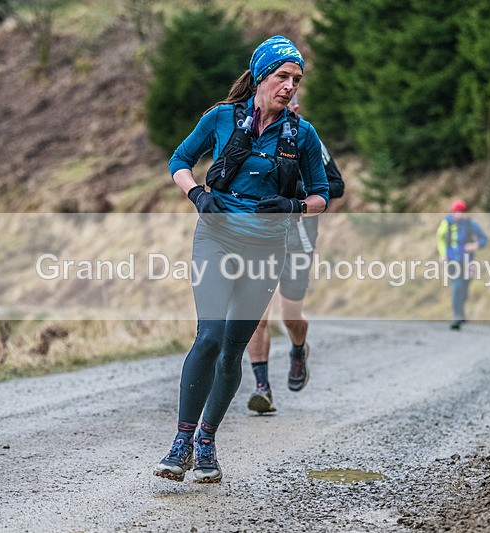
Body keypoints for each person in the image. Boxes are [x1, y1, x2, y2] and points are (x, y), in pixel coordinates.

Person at [154, 36, 330, 483]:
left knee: (232, 349)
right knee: (210, 337)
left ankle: (207, 442)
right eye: (281, 76)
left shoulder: (301, 134)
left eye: (296, 79)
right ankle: (181, 443)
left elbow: (321, 195)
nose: (290, 86)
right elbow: (179, 159)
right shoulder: (220, 118)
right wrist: (195, 192)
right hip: (215, 240)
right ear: (259, 77)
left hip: (266, 250)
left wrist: (293, 207)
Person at [245, 94, 344, 414]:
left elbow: (335, 186)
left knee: (289, 316)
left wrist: (295, 197)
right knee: (257, 317)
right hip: (260, 233)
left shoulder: (306, 137)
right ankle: (262, 388)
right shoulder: (252, 133)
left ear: (296, 106)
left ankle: (298, 349)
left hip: (298, 232)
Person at [437, 199, 488, 330]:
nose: (459, 214)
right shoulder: (446, 223)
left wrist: (475, 245)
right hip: (452, 260)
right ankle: (456, 316)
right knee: (457, 286)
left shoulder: (470, 224)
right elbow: (440, 239)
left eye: (461, 211)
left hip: (468, 261)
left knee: (465, 289)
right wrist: (443, 254)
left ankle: (461, 310)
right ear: (453, 212)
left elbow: (483, 239)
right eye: (456, 211)